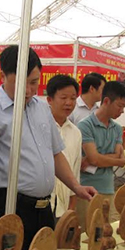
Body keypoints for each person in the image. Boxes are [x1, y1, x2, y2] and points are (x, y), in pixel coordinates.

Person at [0, 45, 95, 250]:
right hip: (9, 208)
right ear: (3, 76)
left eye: (34, 82)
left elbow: (55, 154)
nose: (28, 90)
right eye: (20, 82)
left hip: (44, 209)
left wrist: (76, 186)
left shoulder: (42, 109)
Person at [76, 81, 125, 232]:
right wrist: (109, 158)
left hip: (108, 188)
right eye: (119, 106)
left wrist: (99, 157)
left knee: (108, 231)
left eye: (124, 107)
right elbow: (95, 159)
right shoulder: (85, 125)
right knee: (88, 235)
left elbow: (122, 160)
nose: (122, 111)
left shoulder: (117, 128)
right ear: (106, 101)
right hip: (87, 190)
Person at [46, 75, 82, 219]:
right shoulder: (40, 127)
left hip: (63, 207)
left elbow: (75, 170)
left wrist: (71, 209)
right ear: (49, 99)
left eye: (73, 99)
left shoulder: (76, 133)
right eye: (63, 98)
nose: (69, 103)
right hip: (41, 204)